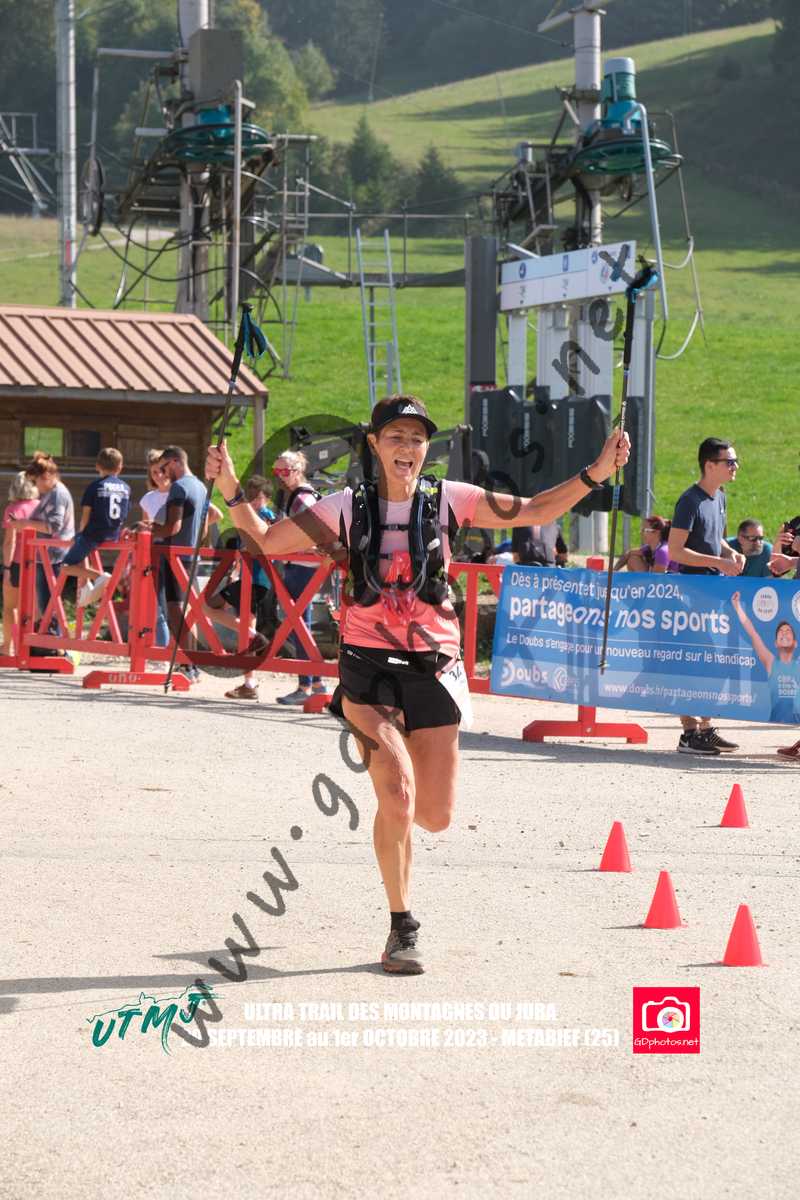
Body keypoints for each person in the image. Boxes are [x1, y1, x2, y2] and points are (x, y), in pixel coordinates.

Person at [206, 393, 630, 975]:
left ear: (426, 448)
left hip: (435, 669)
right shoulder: (345, 506)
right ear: (374, 444)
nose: (407, 447)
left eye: (417, 438)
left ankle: (400, 830)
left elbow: (534, 510)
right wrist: (230, 487)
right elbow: (269, 541)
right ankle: (401, 925)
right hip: (368, 669)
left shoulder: (451, 498)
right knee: (397, 794)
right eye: (396, 437)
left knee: (433, 815)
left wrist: (597, 472)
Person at [667, 437, 746, 757]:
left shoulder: (720, 497)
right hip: (690, 592)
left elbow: (715, 540)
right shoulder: (690, 501)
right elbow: (676, 551)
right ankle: (689, 733)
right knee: (694, 662)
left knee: (714, 663)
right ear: (710, 465)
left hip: (713, 591)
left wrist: (731, 554)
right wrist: (718, 561)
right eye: (730, 462)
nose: (735, 466)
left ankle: (706, 728)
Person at [202, 475, 276, 701]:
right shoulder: (253, 516)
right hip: (251, 578)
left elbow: (262, 545)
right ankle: (249, 682)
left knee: (207, 606)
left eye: (258, 497)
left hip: (256, 580)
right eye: (250, 496)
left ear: (267, 498)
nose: (253, 501)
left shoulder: (265, 516)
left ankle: (255, 637)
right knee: (245, 627)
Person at [146, 446, 209, 684]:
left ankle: (185, 665)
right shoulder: (201, 487)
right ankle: (191, 664)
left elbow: (172, 527)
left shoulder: (179, 487)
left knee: (175, 610)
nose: (163, 473)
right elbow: (204, 528)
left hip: (175, 556)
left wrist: (149, 529)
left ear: (174, 462)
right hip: (192, 556)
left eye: (164, 467)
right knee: (188, 612)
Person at [271, 450, 327, 705]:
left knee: (298, 624)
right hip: (303, 565)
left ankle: (309, 684)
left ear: (298, 470)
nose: (281, 476)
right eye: (277, 471)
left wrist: (293, 547)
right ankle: (314, 682)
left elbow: (316, 532)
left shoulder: (301, 498)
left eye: (285, 471)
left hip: (303, 566)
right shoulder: (302, 495)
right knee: (299, 623)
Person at [12, 453, 75, 635]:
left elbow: (54, 525)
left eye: (35, 481)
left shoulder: (57, 494)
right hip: (47, 554)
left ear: (46, 476)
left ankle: (54, 640)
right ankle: (53, 639)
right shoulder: (51, 493)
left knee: (49, 603)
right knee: (46, 602)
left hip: (54, 555)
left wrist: (25, 523)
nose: (35, 486)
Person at [59, 447, 131, 607]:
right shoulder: (126, 488)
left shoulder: (95, 487)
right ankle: (86, 589)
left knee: (66, 566)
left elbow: (85, 517)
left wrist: (80, 534)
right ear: (120, 467)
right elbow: (125, 513)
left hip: (94, 534)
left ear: (97, 466)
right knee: (81, 554)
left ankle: (99, 576)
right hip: (114, 534)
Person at [730, 592, 800, 725]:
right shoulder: (770, 662)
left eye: (788, 631)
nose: (784, 633)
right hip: (775, 724)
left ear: (795, 643)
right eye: (781, 632)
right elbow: (753, 633)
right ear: (776, 643)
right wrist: (737, 607)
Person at [1, 472, 40, 654]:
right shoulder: (41, 507)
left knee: (11, 607)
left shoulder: (12, 509)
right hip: (40, 563)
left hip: (18, 564)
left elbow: (10, 542)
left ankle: (8, 647)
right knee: (34, 607)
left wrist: (7, 568)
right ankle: (31, 646)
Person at [139, 449, 172, 648]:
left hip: (176, 551)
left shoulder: (179, 493)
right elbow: (146, 529)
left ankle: (177, 651)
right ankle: (162, 648)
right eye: (154, 472)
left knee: (176, 604)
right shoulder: (148, 499)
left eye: (161, 470)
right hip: (155, 553)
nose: (158, 475)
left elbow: (212, 514)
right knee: (156, 604)